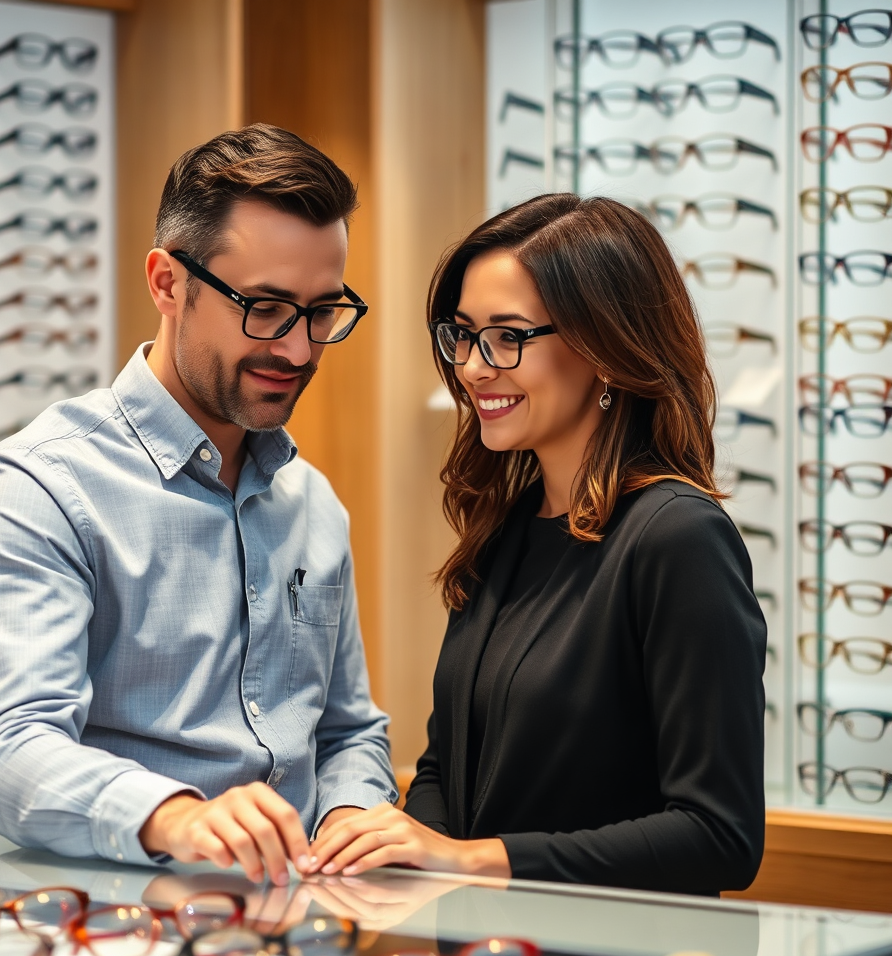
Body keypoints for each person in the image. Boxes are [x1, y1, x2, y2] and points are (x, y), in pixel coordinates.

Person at [0, 124, 398, 882]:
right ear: (167, 283)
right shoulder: (42, 486)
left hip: (301, 923)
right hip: (119, 926)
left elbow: (347, 732)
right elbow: (5, 751)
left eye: (322, 311)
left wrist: (351, 812)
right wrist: (177, 818)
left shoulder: (312, 502)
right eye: (265, 307)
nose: (298, 351)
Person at [307, 193, 766, 896]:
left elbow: (719, 835)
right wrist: (404, 850)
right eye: (463, 335)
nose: (473, 367)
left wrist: (471, 859)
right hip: (485, 955)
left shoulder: (679, 536)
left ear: (605, 348)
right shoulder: (506, 527)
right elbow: (445, 768)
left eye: (508, 337)